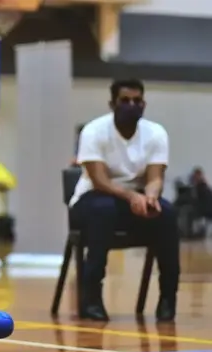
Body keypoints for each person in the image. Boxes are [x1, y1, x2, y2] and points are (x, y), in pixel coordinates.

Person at [69, 79, 179, 322]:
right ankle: (91, 298)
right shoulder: (94, 131)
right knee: (103, 210)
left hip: (135, 202)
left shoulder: (156, 133)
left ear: (144, 104)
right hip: (93, 200)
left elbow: (155, 177)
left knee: (168, 213)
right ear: (112, 104)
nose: (132, 105)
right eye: (125, 101)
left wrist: (150, 197)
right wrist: (132, 196)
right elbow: (99, 180)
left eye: (137, 101)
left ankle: (168, 298)